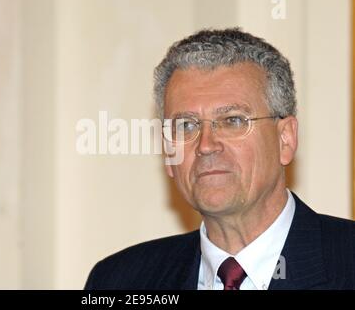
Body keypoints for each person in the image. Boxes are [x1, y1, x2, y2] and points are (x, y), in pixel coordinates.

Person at [84, 28, 355, 290]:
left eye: (232, 121)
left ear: (285, 138)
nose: (205, 145)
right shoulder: (119, 280)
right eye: (186, 125)